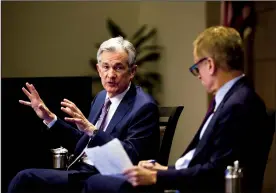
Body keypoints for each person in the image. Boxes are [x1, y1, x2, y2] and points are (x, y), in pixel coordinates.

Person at [80, 26, 271, 193]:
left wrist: (157, 177)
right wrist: (162, 170)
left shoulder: (238, 105)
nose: (198, 76)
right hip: (189, 180)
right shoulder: (233, 99)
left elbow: (214, 172)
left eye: (197, 67)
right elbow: (201, 162)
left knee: (97, 182)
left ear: (210, 65)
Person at [7, 37, 160, 193]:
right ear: (98, 69)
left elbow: (133, 156)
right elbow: (81, 143)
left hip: (108, 179)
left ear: (132, 71)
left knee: (26, 179)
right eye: (105, 67)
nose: (110, 74)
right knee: (24, 177)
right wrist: (49, 118)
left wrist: (92, 130)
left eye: (118, 68)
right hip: (82, 172)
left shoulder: (143, 106)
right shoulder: (101, 98)